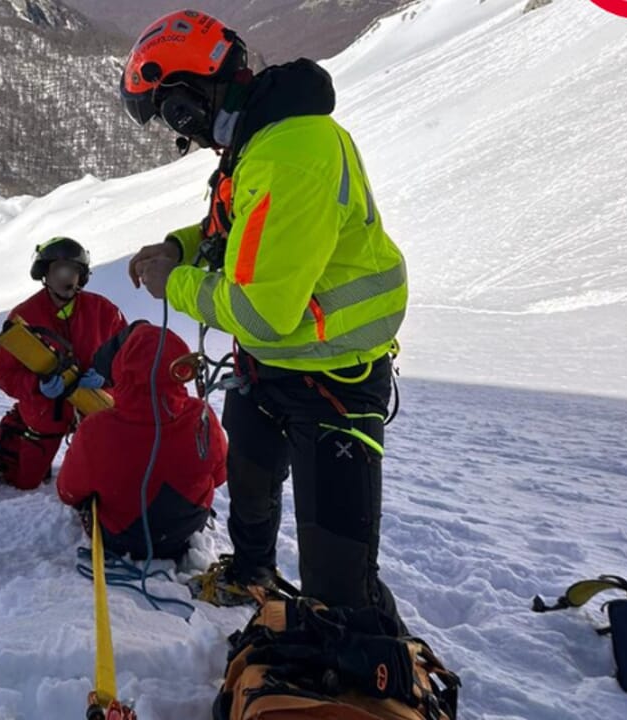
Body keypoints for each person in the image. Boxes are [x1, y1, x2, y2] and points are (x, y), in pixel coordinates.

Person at [119, 10, 409, 622]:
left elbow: (260, 311)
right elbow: (237, 228)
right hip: (271, 364)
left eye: (172, 116)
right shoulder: (262, 137)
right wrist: (179, 247)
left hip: (334, 376)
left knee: (338, 573)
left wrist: (174, 283)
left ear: (187, 103)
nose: (181, 133)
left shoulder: (287, 156)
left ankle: (356, 646)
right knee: (249, 481)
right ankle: (252, 574)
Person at [56, 322, 227, 560]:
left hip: (122, 538)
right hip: (187, 531)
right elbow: (220, 475)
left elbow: (68, 491)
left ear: (121, 366)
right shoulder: (202, 415)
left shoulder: (96, 428)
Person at [0, 237, 127, 490]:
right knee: (22, 482)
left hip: (95, 405)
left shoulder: (105, 311)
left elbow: (129, 360)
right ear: (45, 273)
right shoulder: (24, 316)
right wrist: (36, 386)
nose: (68, 277)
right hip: (44, 412)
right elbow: (5, 373)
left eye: (75, 270)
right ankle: (20, 424)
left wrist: (107, 376)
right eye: (60, 269)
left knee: (106, 481)